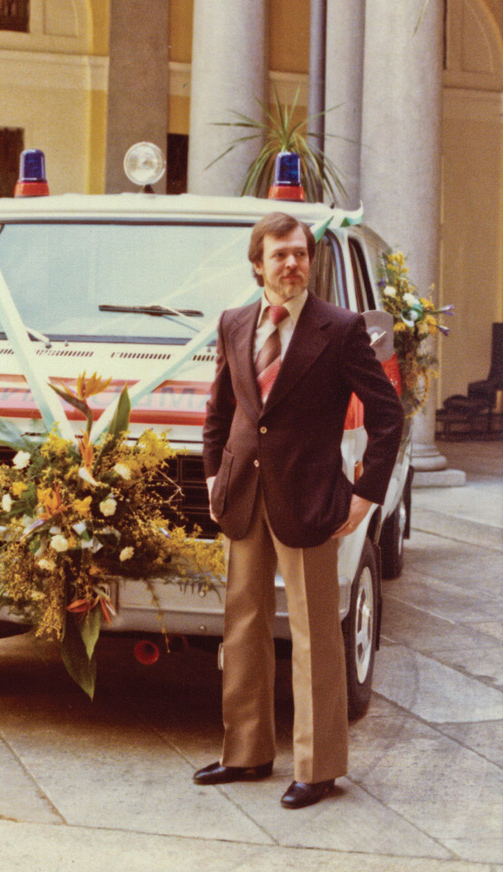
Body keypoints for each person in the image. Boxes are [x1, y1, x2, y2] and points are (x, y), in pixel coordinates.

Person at [193, 211, 404, 809]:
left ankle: (318, 767)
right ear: (257, 264)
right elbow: (221, 412)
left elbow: (387, 415)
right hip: (241, 497)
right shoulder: (234, 323)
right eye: (279, 254)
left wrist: (367, 495)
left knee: (314, 636)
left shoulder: (339, 330)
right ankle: (247, 753)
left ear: (310, 263)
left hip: (311, 500)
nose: (291, 264)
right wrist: (214, 476)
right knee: (243, 629)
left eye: (300, 254)